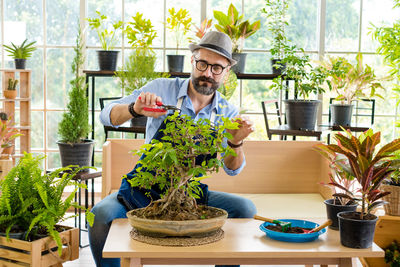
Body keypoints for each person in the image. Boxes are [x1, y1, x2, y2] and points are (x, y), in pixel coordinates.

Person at [90, 31, 257, 267]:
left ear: (226, 73)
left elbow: (232, 170)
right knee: (99, 216)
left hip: (186, 190)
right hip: (143, 187)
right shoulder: (162, 88)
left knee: (245, 208)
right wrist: (134, 109)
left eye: (217, 68)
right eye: (202, 64)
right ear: (192, 61)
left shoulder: (227, 113)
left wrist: (235, 142)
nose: (208, 73)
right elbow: (106, 116)